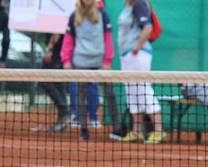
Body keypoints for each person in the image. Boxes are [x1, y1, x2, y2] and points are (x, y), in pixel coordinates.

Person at [61, 0, 122, 141]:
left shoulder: (103, 15)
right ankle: (83, 129)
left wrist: (107, 61)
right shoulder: (73, 16)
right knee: (81, 94)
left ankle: (117, 129)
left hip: (100, 62)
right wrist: (66, 60)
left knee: (110, 93)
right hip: (81, 61)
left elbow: (108, 39)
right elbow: (68, 39)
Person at [117, 0, 164, 144]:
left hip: (138, 54)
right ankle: (136, 131)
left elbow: (148, 28)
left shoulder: (139, 4)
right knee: (132, 92)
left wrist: (136, 47)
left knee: (143, 90)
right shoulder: (128, 6)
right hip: (126, 55)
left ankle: (158, 131)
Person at [40, 33, 71, 132]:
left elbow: (56, 32)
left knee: (45, 81)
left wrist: (50, 49)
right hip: (58, 54)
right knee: (57, 83)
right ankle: (63, 119)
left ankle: (64, 113)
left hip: (58, 55)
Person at [0, 1, 9, 69]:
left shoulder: (3, 15)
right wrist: (3, 60)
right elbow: (6, 39)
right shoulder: (4, 15)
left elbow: (6, 39)